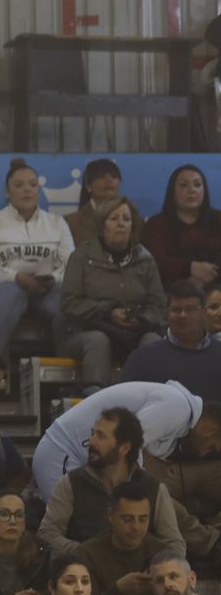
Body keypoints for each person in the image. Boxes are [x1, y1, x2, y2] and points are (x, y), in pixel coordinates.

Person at [31, 380, 221, 501]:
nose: (204, 453)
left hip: (81, 458)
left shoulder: (179, 420)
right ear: (208, 430)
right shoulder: (177, 407)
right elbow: (129, 443)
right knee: (76, 530)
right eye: (211, 447)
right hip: (62, 452)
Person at [39, 406, 187, 559]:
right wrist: (85, 554)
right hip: (86, 576)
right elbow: (47, 533)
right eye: (93, 434)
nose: (91, 442)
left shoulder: (153, 488)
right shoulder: (71, 483)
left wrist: (154, 568)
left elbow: (174, 543)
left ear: (124, 448)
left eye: (101, 436)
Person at [60, 195, 167, 385]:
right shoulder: (81, 257)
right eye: (114, 219)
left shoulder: (145, 259)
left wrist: (141, 319)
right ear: (102, 225)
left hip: (134, 332)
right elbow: (69, 303)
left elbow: (159, 308)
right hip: (86, 331)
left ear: (133, 226)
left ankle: (149, 396)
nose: (121, 224)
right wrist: (108, 311)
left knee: (153, 341)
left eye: (126, 219)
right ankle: (95, 395)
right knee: (98, 340)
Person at [76, 483, 169, 595]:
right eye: (127, 519)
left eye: (143, 519)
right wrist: (118, 591)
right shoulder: (88, 554)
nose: (136, 527)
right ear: (111, 516)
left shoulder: (162, 553)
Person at [121, 282, 221, 400]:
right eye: (176, 309)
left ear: (203, 313)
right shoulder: (142, 359)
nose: (183, 315)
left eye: (190, 309)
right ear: (167, 314)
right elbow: (123, 408)